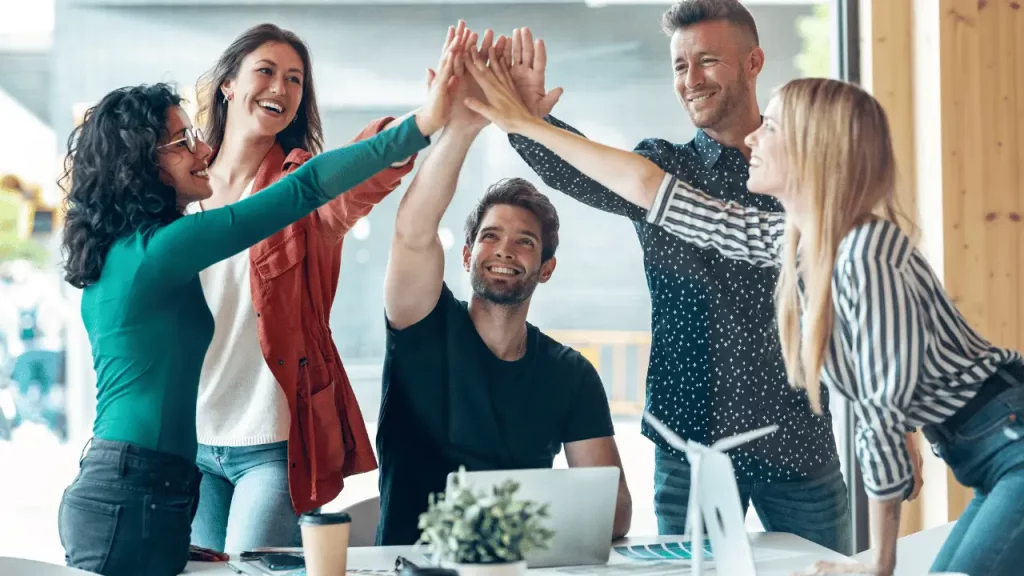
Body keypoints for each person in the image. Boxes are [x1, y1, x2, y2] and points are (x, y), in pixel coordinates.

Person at [463, 45, 1022, 576]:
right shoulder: (801, 241)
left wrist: (876, 560)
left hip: (1009, 443)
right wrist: (526, 124)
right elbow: (653, 191)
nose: (755, 137)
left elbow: (880, 414)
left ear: (811, 149)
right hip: (987, 454)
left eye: (772, 128)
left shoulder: (864, 250)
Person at [55, 44, 456, 576]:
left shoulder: (126, 248)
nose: (200, 151)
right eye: (180, 142)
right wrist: (426, 122)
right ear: (141, 163)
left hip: (148, 485)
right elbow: (305, 188)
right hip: (135, 490)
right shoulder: (158, 251)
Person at [497, 0, 856, 553]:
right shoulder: (661, 167)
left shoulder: (805, 175)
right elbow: (583, 170)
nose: (691, 80)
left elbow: (858, 306)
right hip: (691, 448)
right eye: (680, 66)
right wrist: (530, 123)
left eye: (707, 61)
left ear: (754, 61)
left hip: (799, 443)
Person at [376, 23, 632, 546]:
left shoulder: (571, 374)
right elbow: (413, 231)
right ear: (468, 255)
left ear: (546, 268)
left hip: (518, 565)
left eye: (525, 243)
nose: (506, 251)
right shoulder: (422, 324)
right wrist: (464, 127)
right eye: (490, 237)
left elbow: (614, 516)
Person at [186, 23, 417, 553]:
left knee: (250, 568)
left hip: (271, 445)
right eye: (265, 71)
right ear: (227, 84)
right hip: (188, 440)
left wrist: (424, 121)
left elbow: (359, 179)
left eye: (295, 80)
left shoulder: (300, 185)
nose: (281, 88)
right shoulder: (177, 188)